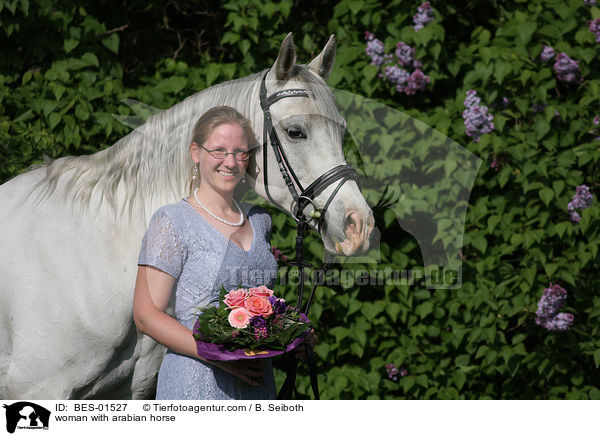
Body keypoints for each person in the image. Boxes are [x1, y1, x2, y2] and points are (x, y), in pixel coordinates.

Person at [133, 106, 278, 399]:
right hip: (196, 382)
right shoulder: (172, 220)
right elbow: (146, 315)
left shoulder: (260, 220)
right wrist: (218, 356)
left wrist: (289, 337)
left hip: (257, 382)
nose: (231, 162)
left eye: (240, 152)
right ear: (195, 153)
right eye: (219, 151)